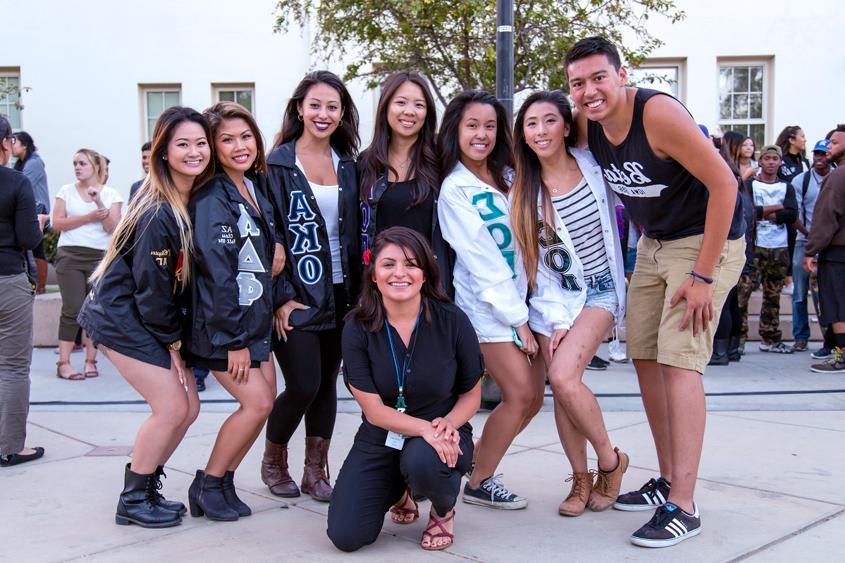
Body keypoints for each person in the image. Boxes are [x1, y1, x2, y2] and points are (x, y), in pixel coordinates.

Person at [566, 36, 745, 547]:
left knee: (678, 363)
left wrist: (705, 275)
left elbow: (725, 185)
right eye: (578, 83)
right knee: (644, 357)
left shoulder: (658, 115)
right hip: (653, 245)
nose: (589, 91)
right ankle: (669, 478)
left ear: (622, 75)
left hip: (704, 244)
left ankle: (684, 506)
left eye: (599, 77)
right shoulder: (587, 122)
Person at [78, 107, 212, 527]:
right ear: (163, 152)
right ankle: (132, 499)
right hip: (121, 318)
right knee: (172, 407)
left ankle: (147, 484)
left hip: (144, 317)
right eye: (183, 144)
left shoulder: (190, 199)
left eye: (201, 142)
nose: (194, 152)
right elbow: (153, 293)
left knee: (189, 408)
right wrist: (174, 346)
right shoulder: (158, 210)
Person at [327, 227, 483, 552]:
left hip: (445, 430)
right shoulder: (357, 327)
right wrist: (425, 430)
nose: (400, 273)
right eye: (389, 264)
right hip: (383, 433)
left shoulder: (452, 320)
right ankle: (401, 490)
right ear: (373, 274)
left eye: (411, 264)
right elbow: (373, 410)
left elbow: (471, 394)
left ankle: (442, 509)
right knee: (346, 535)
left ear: (425, 274)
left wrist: (447, 426)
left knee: (424, 460)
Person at [510, 90, 629, 516]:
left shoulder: (593, 165)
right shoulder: (522, 191)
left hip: (600, 291)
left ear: (566, 126)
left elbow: (590, 108)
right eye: (531, 123)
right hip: (554, 301)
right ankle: (580, 481)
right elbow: (537, 269)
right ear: (522, 134)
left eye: (549, 120)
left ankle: (610, 463)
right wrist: (557, 319)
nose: (541, 131)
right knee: (563, 390)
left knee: (561, 376)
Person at [434, 89, 539, 510]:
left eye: (490, 126)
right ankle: (477, 479)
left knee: (530, 398)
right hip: (487, 310)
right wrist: (517, 318)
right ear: (456, 130)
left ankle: (478, 471)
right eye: (472, 125)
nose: (482, 134)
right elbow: (481, 260)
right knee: (520, 395)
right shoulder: (455, 189)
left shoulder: (512, 177)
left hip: (524, 305)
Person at [262, 70, 361, 503]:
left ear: (342, 114)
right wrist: (281, 296)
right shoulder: (277, 164)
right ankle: (272, 461)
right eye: (316, 105)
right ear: (300, 108)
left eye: (333, 107)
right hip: (299, 294)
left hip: (343, 293)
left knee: (325, 387)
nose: (323, 114)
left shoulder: (350, 165)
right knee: (302, 383)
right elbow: (268, 234)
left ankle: (315, 471)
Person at [183, 102, 279, 521]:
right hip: (224, 329)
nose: (240, 146)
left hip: (255, 320)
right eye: (227, 139)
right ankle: (208, 481)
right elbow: (217, 273)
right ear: (214, 148)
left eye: (246, 136)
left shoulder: (254, 185)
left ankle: (222, 483)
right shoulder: (210, 196)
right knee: (255, 404)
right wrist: (233, 341)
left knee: (265, 402)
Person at [358, 71, 453, 296]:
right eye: (401, 102)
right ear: (386, 107)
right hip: (383, 289)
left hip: (431, 289)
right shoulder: (365, 163)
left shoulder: (442, 161)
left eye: (419, 105)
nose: (409, 111)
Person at [52, 148, 123, 380]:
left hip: (100, 257)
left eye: (82, 163)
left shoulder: (111, 194)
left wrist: (97, 201)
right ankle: (63, 363)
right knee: (72, 309)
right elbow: (57, 223)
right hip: (70, 255)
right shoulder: (66, 191)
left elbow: (112, 228)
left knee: (93, 311)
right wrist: (87, 217)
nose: (77, 167)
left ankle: (91, 361)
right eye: (75, 163)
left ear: (95, 166)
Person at [0, 116, 45, 468]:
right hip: (8, 279)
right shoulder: (16, 182)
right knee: (13, 367)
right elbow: (30, 239)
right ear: (6, 143)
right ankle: (10, 446)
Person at [745, 145, 798, 353]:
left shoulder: (787, 187)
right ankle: (738, 339)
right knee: (745, 291)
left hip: (779, 245)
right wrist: (777, 208)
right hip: (756, 245)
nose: (771, 162)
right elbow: (749, 211)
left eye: (775, 158)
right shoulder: (751, 185)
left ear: (780, 162)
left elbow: (792, 214)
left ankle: (770, 338)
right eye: (767, 158)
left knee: (773, 294)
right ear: (760, 162)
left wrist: (766, 213)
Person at [804, 125, 845, 373]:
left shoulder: (838, 176)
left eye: (834, 142)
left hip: (838, 253)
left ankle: (842, 357)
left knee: (838, 306)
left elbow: (826, 216)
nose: (829, 146)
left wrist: (811, 250)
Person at [790, 140, 832, 352]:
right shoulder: (802, 180)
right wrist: (811, 235)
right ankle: (800, 336)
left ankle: (829, 340)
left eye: (823, 154)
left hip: (830, 243)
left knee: (824, 294)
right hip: (803, 241)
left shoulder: (836, 178)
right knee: (799, 292)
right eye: (816, 154)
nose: (819, 158)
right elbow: (794, 212)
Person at [11, 131, 50, 293]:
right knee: (31, 249)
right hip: (28, 211)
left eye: (15, 142)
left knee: (37, 248)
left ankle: (41, 286)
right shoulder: (20, 164)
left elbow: (20, 184)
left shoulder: (34, 163)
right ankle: (35, 283)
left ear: (25, 145)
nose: (11, 145)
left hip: (38, 212)